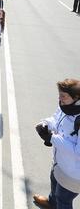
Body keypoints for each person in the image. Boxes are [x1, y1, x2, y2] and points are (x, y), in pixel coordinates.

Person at [33, 79, 80, 209]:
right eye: (59, 94)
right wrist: (46, 124)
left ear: (76, 98)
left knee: (63, 199)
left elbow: (78, 151)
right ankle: (51, 203)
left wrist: (52, 138)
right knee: (54, 182)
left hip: (74, 173)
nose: (60, 98)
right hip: (60, 162)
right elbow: (56, 119)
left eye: (63, 96)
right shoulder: (65, 106)